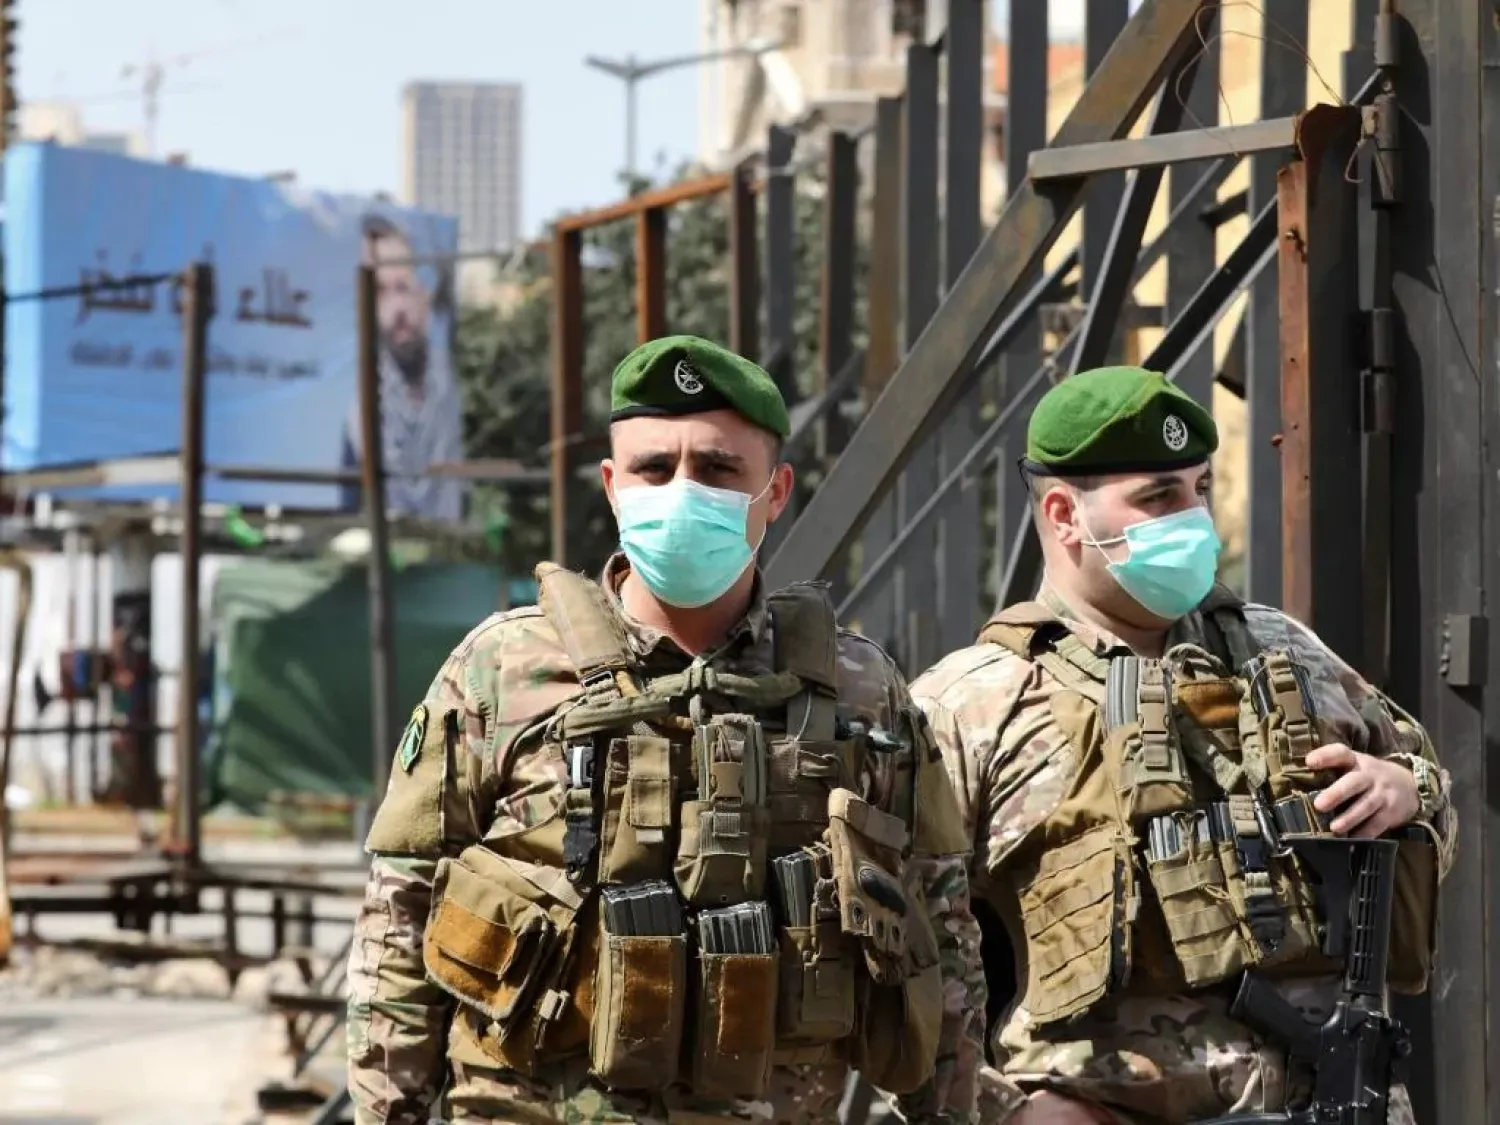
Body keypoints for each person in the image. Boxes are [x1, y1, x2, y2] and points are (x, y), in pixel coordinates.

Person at [346, 334, 986, 1124]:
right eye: (655, 467)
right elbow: (399, 922)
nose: (683, 489)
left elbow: (939, 933)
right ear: (614, 486)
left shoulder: (859, 690)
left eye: (718, 469)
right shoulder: (500, 669)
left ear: (776, 490)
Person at [908, 366, 1455, 1125]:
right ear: (1065, 513)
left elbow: (1426, 781)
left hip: (1331, 1100)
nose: (1194, 518)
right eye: (1159, 497)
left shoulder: (1279, 649)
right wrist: (1002, 1110)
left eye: (1200, 488)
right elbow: (896, 948)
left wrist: (1402, 786)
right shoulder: (975, 700)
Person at [338, 212, 465, 523]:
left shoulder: (446, 384)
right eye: (380, 292)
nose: (396, 309)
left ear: (422, 292)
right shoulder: (361, 400)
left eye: (402, 287)